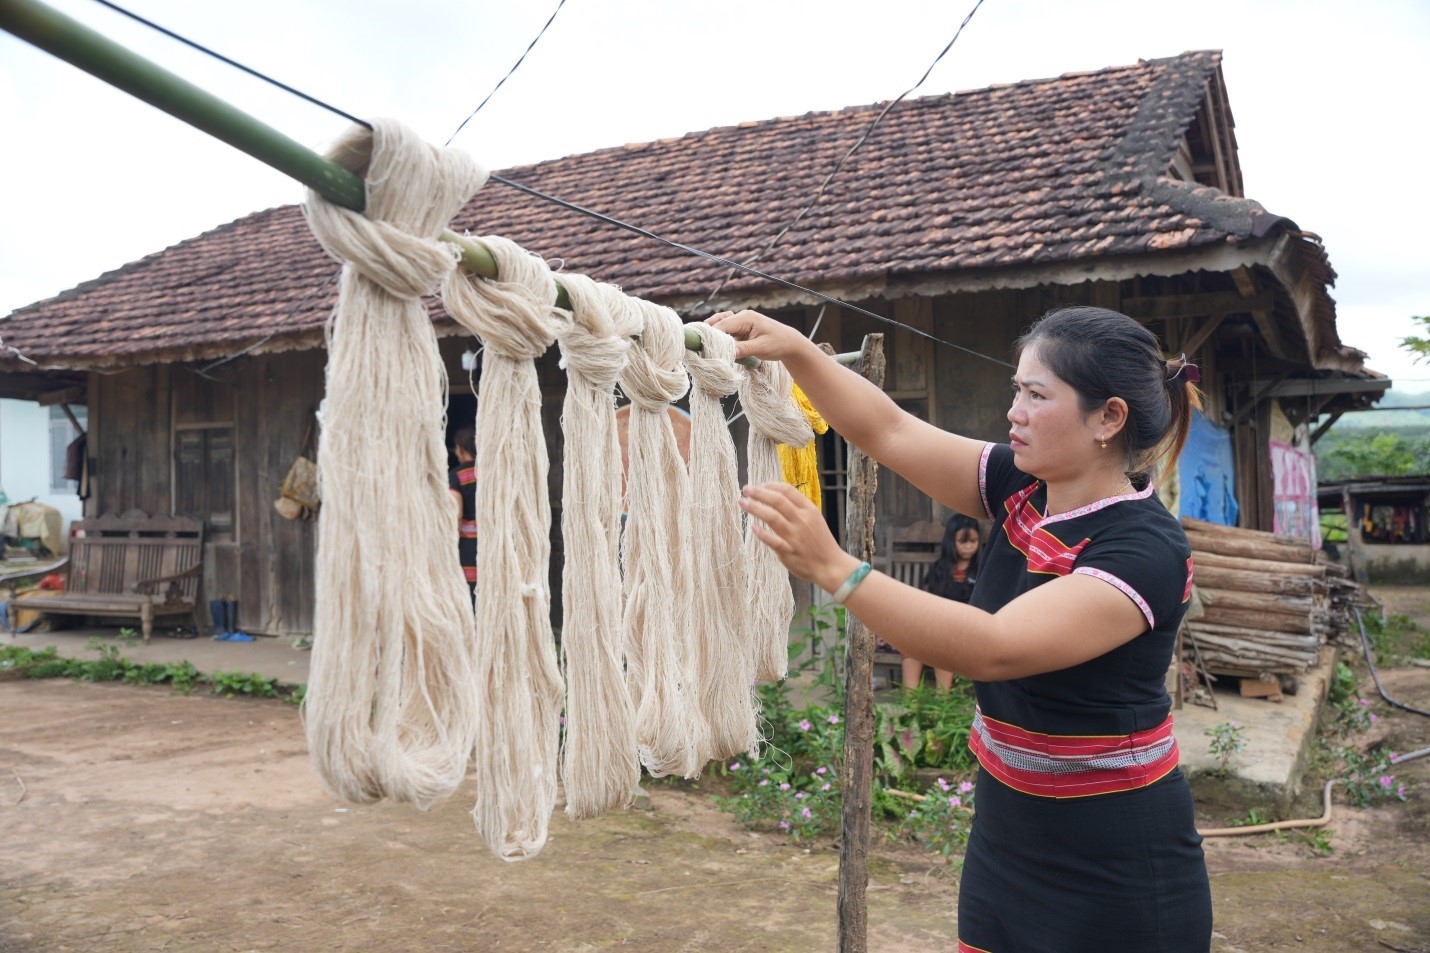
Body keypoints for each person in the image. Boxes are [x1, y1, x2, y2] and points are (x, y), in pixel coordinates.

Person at [714, 305, 1212, 953]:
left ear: (1108, 418)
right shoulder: (1019, 488)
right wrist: (796, 353)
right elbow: (889, 430)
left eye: (1037, 395)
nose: (1015, 411)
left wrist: (836, 569)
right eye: (1016, 390)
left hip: (1116, 859)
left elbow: (996, 647)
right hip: (1007, 837)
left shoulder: (1144, 549)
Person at [904, 513, 982, 691]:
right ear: (951, 541)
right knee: (910, 642)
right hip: (939, 624)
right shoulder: (939, 570)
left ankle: (943, 699)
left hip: (968, 627)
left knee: (942, 643)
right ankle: (910, 701)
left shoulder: (981, 570)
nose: (969, 547)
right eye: (963, 541)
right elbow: (928, 600)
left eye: (973, 541)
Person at [447, 426, 478, 594]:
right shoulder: (490, 472)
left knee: (468, 590)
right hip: (492, 539)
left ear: (460, 448)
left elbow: (456, 512)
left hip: (468, 544)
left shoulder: (456, 475)